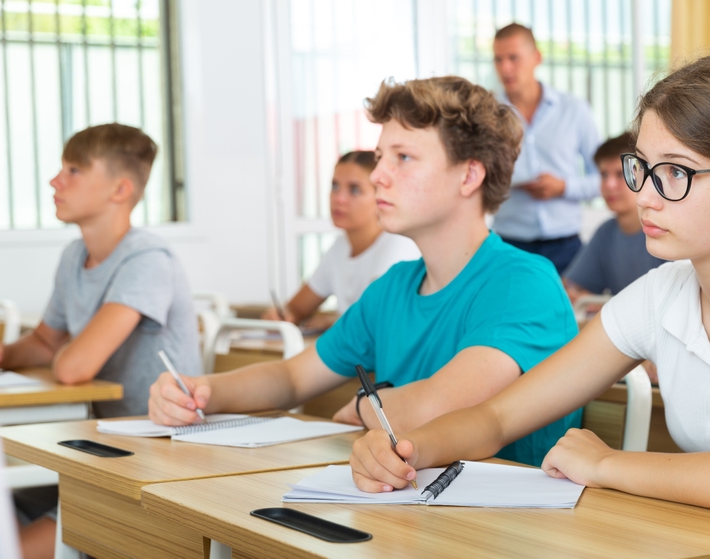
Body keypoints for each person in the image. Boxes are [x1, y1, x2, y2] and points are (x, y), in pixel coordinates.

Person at [350, 49, 710, 557]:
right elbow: (499, 416)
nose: (642, 194)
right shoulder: (659, 295)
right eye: (642, 167)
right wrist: (405, 448)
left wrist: (607, 463)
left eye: (675, 173)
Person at [149, 76, 581, 467]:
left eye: (404, 157)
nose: (378, 176)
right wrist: (201, 391)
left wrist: (359, 407)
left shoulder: (522, 283)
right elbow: (292, 377)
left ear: (469, 175)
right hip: (409, 508)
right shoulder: (393, 288)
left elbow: (436, 407)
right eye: (379, 157)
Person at [0, 123, 200, 559]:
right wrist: (1, 355)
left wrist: (61, 353)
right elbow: (47, 342)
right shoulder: (73, 256)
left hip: (156, 458)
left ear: (119, 189)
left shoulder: (147, 259)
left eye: (73, 170)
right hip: (97, 449)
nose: (55, 181)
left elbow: (73, 367)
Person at [261, 151, 419, 330]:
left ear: (380, 197)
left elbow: (376, 318)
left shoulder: (399, 245)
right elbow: (297, 307)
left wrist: (333, 322)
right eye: (335, 187)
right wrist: (283, 315)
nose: (339, 199)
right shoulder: (340, 248)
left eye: (354, 190)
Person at [491, 23, 601, 273]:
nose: (505, 68)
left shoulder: (574, 110)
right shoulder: (487, 115)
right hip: (509, 244)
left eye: (513, 58)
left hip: (567, 248)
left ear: (536, 58)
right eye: (498, 60)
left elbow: (604, 179)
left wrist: (563, 187)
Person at [563, 134, 666, 302]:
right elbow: (571, 286)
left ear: (645, 175)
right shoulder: (606, 232)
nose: (610, 185)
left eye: (620, 174)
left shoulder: (665, 229)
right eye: (604, 175)